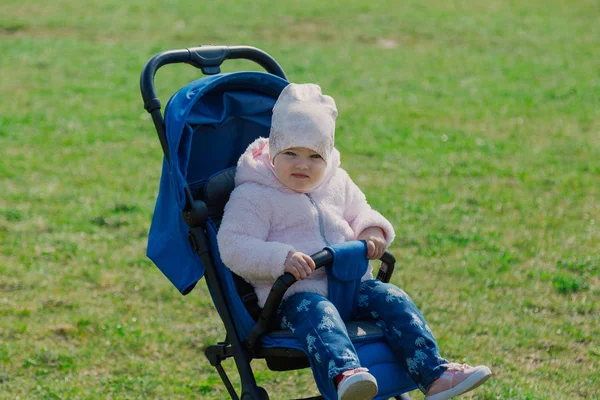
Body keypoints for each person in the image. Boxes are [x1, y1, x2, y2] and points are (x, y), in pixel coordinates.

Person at [217, 83, 492, 400]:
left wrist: (371, 230)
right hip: (296, 296)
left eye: (314, 155)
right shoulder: (255, 195)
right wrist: (282, 258)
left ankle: (434, 374)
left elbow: (361, 210)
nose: (302, 164)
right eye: (290, 153)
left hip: (350, 286)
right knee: (320, 315)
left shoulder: (336, 182)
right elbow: (233, 244)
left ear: (328, 154)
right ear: (271, 151)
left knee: (392, 298)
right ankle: (347, 375)